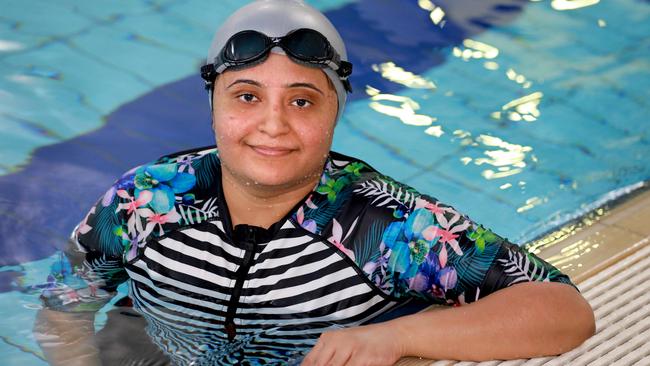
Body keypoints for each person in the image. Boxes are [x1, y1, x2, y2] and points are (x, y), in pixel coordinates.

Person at [35, 1, 595, 365]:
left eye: (302, 100)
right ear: (214, 105)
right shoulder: (145, 199)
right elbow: (65, 306)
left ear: (335, 111)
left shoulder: (384, 224)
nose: (273, 125)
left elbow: (563, 311)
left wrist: (392, 338)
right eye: (247, 97)